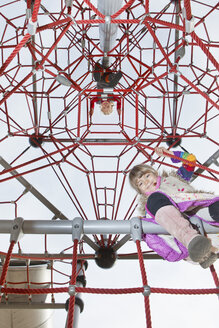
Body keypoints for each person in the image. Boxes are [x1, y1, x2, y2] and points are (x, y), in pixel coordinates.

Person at [129, 147, 219, 268]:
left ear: (155, 173)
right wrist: (144, 223)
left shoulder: (175, 179)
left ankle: (203, 247)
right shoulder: (151, 204)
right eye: (140, 183)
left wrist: (170, 154)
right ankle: (194, 242)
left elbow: (190, 160)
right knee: (155, 199)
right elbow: (155, 234)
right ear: (140, 191)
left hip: (199, 212)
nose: (146, 182)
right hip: (187, 238)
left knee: (214, 206)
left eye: (147, 176)